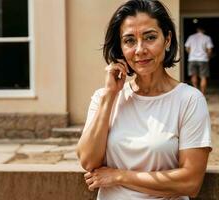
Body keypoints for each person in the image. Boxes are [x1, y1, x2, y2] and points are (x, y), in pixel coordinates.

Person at [76, 0, 212, 199]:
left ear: (167, 39)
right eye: (129, 40)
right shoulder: (104, 97)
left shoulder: (189, 100)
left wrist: (119, 176)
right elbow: (88, 161)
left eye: (150, 37)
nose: (140, 49)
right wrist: (110, 96)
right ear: (121, 47)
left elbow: (190, 182)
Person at [185, 26, 213, 94]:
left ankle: (196, 94)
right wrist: (208, 57)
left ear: (197, 29)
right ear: (204, 30)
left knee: (193, 76)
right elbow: (209, 50)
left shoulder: (191, 37)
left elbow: (187, 48)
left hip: (192, 59)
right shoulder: (207, 37)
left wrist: (191, 54)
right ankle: (202, 95)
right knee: (203, 77)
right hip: (203, 59)